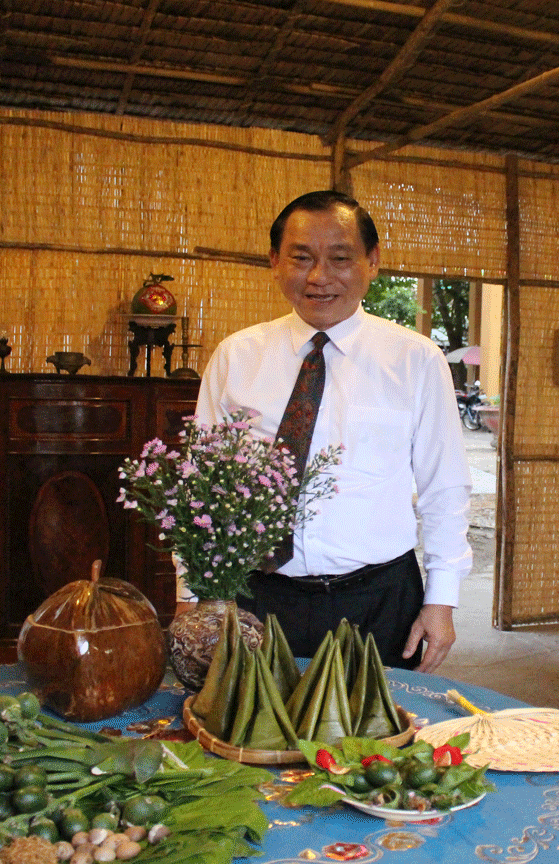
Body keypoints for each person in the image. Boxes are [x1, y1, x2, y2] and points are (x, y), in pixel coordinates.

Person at [188, 190, 472, 673]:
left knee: (375, 745)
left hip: (380, 600)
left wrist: (441, 601)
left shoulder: (415, 360)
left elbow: (444, 485)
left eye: (340, 258)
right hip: (258, 597)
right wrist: (194, 592)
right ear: (275, 261)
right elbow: (203, 485)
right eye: (301, 258)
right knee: (251, 735)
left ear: (373, 262)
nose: (319, 278)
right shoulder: (237, 357)